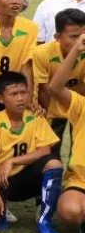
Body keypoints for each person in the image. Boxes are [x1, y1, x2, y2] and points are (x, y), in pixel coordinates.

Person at [0, 71, 63, 233]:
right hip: (2, 181)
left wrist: (12, 161)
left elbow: (45, 150)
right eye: (14, 94)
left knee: (54, 163)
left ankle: (45, 221)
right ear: (0, 99)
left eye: (24, 92)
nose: (20, 98)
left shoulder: (35, 117)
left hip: (27, 178)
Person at [46, 33, 85, 229]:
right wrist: (76, 50)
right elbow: (55, 88)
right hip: (81, 179)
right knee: (70, 211)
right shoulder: (82, 105)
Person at [34, 8, 85, 144]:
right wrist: (49, 114)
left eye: (83, 36)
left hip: (79, 106)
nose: (80, 41)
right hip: (52, 107)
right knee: (51, 147)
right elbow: (44, 90)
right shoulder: (41, 53)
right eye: (74, 36)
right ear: (57, 37)